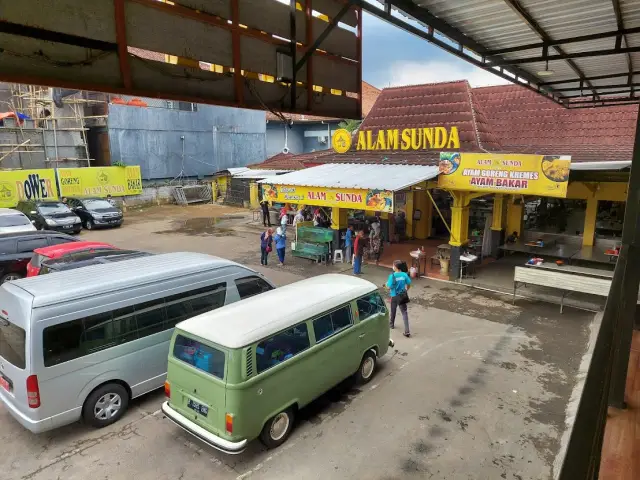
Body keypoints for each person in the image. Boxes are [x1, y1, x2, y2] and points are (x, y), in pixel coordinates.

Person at [386, 259, 412, 337]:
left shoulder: (392, 276)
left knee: (393, 310)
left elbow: (389, 287)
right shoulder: (404, 275)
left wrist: (386, 285)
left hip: (394, 296)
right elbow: (409, 284)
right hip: (402, 296)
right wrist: (406, 290)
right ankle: (407, 331)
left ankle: (391, 324)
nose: (392, 267)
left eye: (393, 265)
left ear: (396, 267)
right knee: (404, 312)